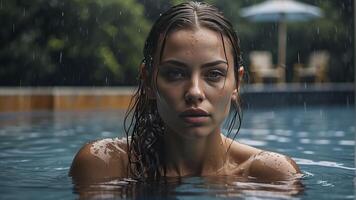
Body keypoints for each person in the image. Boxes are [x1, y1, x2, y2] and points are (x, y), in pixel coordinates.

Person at [69, 1, 300, 183]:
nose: (195, 92)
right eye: (175, 74)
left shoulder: (272, 175)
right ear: (148, 81)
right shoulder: (103, 165)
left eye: (214, 74)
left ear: (236, 84)